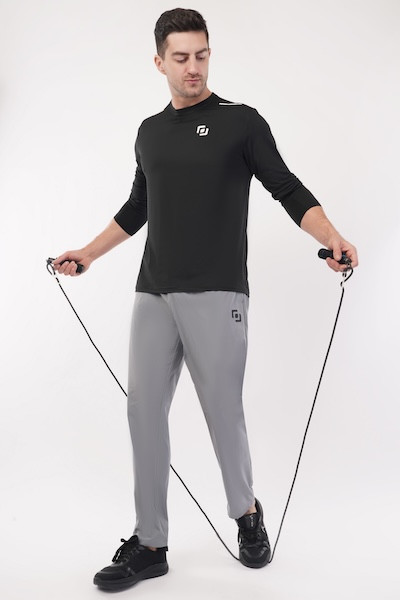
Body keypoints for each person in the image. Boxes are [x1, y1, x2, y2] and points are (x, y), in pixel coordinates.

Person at [53, 7, 358, 592]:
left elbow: (287, 188)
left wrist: (333, 237)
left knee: (222, 412)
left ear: (209, 54)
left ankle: (246, 514)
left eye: (201, 55)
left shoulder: (241, 122)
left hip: (217, 290)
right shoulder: (149, 132)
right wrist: (88, 253)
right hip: (154, 290)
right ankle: (150, 544)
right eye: (180, 58)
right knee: (143, 412)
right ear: (159, 62)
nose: (193, 67)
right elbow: (139, 206)